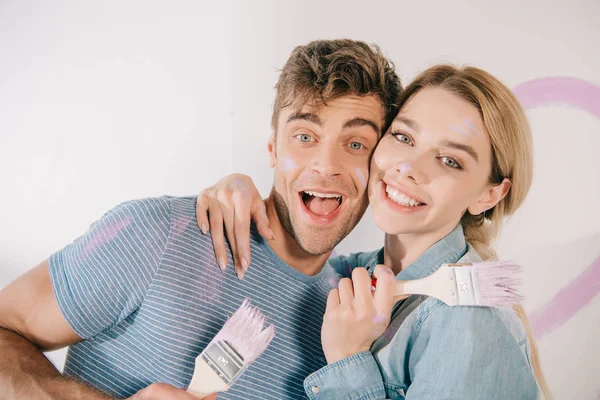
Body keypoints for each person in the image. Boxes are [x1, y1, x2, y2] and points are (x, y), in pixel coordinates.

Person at [0, 39, 402, 400]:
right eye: (304, 136)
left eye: (355, 144)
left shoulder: (356, 324)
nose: (326, 165)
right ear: (272, 149)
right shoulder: (160, 233)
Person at [196, 65, 552, 399]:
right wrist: (238, 190)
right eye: (403, 136)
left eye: (450, 161)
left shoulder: (472, 329)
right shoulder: (353, 274)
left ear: (488, 195)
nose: (408, 167)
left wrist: (347, 359)